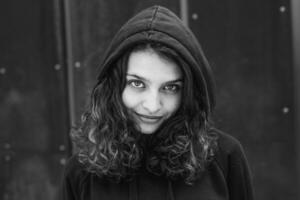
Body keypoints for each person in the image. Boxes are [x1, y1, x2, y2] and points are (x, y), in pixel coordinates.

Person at [61, 5, 254, 200]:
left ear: (188, 92)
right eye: (137, 84)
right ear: (113, 86)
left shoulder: (225, 157)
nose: (153, 106)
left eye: (170, 88)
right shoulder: (81, 173)